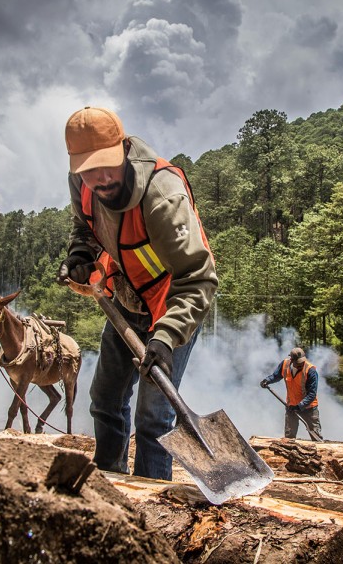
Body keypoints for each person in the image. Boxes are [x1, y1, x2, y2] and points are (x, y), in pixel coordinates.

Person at [56, 106, 217, 480]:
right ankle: (108, 486)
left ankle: (152, 503)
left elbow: (199, 278)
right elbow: (84, 227)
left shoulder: (162, 195)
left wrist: (165, 339)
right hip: (125, 301)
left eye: (107, 165)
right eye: (88, 169)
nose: (100, 178)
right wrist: (81, 254)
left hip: (171, 306)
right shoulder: (81, 182)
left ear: (124, 148)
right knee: (105, 400)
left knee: (152, 417)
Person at [260, 348, 323, 440]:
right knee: (289, 438)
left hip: (309, 408)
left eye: (302, 361)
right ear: (292, 360)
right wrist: (267, 380)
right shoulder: (285, 364)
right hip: (291, 406)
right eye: (298, 362)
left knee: (316, 436)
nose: (301, 364)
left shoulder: (310, 370)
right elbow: (276, 376)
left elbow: (312, 394)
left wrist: (299, 406)